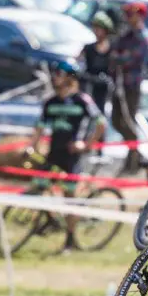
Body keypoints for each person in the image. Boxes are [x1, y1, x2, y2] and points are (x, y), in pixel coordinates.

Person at [30, 58, 106, 252]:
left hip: (73, 156)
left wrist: (86, 145)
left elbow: (100, 123)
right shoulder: (50, 102)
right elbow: (39, 127)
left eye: (60, 74)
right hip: (54, 153)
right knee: (39, 187)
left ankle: (70, 240)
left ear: (70, 78)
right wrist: (32, 147)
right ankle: (51, 220)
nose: (55, 78)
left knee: (68, 195)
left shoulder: (83, 101)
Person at [110, 1, 148, 174]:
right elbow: (113, 54)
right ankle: (135, 152)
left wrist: (120, 57)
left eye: (132, 14)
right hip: (118, 83)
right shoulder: (124, 36)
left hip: (132, 85)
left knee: (128, 120)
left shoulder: (143, 37)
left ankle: (134, 158)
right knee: (116, 120)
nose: (128, 18)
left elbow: (130, 59)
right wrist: (119, 57)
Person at [80, 11, 114, 114]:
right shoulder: (88, 48)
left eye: (99, 28)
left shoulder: (113, 48)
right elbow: (79, 64)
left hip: (107, 87)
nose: (96, 31)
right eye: (95, 28)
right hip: (90, 85)